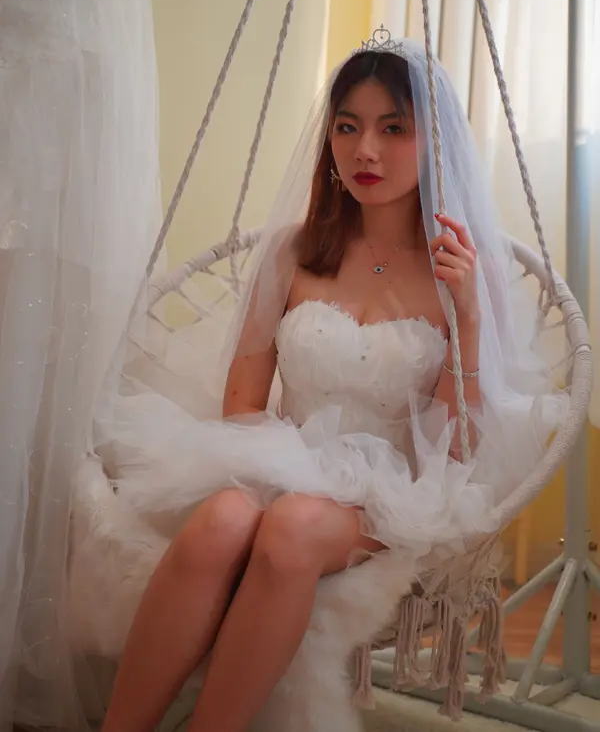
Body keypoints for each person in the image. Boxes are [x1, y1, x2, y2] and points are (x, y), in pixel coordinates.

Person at [91, 36, 567, 732]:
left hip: (392, 486)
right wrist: (279, 471)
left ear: (435, 144)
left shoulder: (464, 272)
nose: (365, 149)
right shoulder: (294, 251)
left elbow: (454, 446)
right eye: (348, 126)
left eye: (393, 128)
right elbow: (242, 401)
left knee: (293, 526)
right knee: (222, 520)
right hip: (281, 456)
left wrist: (467, 316)